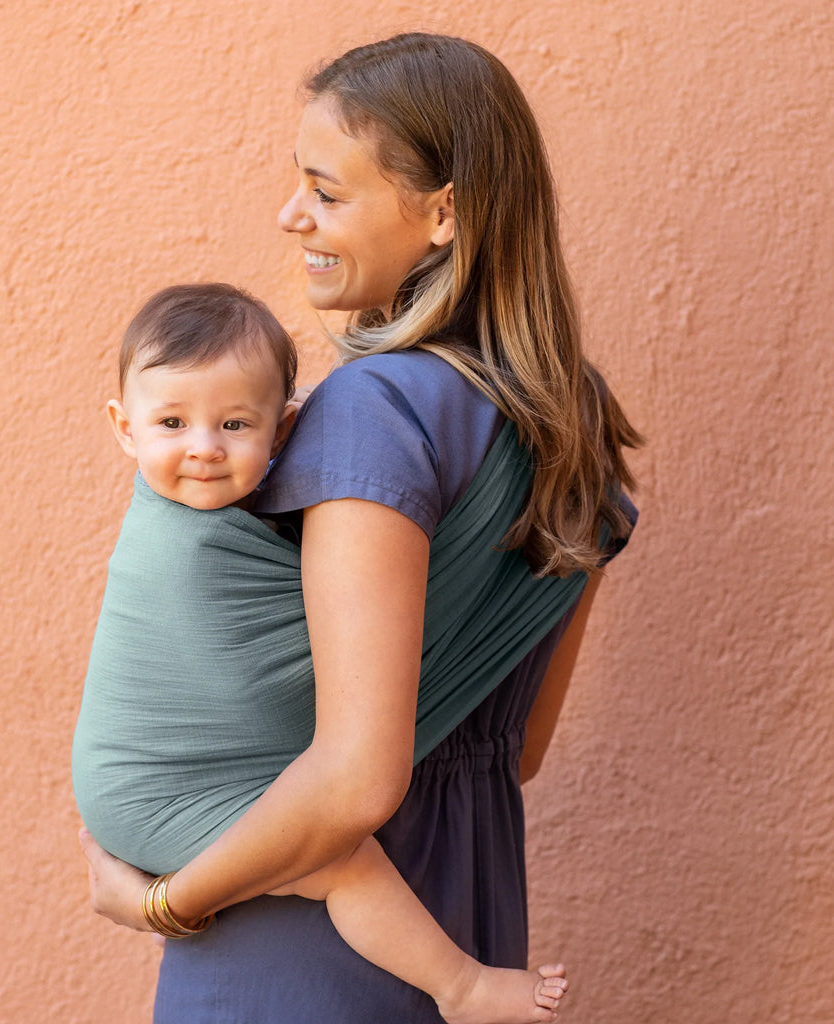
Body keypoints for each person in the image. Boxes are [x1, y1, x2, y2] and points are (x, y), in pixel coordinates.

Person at [79, 32, 642, 1024]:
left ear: (442, 215)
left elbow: (352, 777)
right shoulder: (577, 426)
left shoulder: (375, 411)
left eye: (326, 192)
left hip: (292, 942)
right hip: (463, 911)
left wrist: (165, 899)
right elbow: (516, 749)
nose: (290, 213)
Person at [74, 280, 570, 1023]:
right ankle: (462, 988)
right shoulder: (185, 535)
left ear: (284, 432)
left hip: (152, 794)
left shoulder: (324, 468)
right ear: (123, 427)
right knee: (341, 861)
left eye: (235, 423)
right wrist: (164, 905)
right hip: (150, 790)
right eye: (171, 422)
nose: (203, 449)